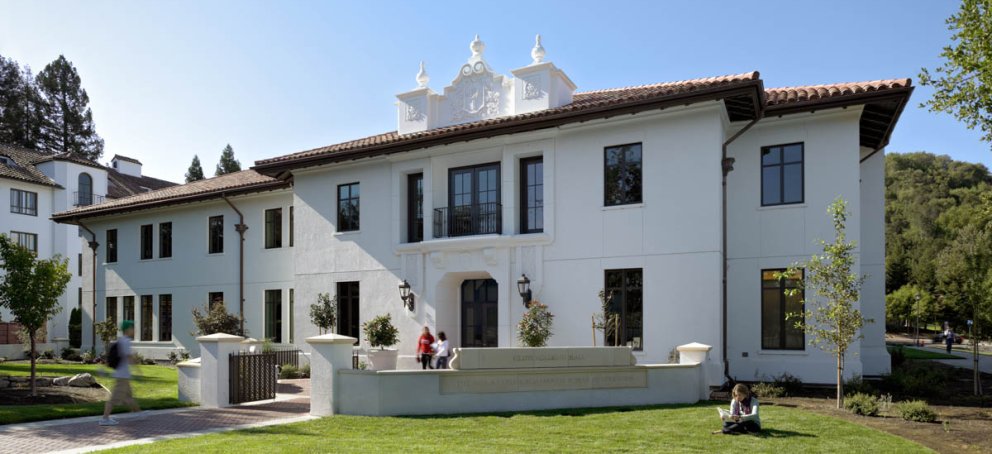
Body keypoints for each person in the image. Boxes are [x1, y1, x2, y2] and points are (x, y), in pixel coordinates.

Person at [99, 320, 143, 426]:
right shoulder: (126, 341)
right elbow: (129, 357)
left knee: (128, 397)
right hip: (122, 376)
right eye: (132, 328)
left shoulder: (122, 340)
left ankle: (138, 413)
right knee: (114, 398)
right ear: (128, 329)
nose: (134, 330)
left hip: (123, 375)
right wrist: (138, 370)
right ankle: (105, 419)